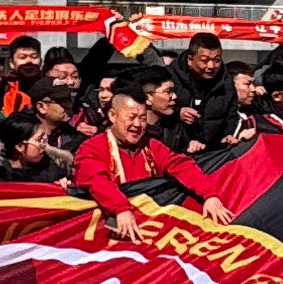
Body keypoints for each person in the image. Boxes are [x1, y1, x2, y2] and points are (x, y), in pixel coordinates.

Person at [76, 75, 220, 241]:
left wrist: (210, 195)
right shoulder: (92, 148)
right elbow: (96, 180)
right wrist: (121, 209)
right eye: (131, 117)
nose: (138, 125)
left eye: (143, 118)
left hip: (153, 231)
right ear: (112, 116)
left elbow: (180, 165)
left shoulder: (151, 146)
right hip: (112, 233)